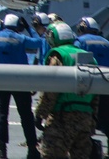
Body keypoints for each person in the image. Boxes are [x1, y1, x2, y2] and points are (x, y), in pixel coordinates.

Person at [35, 21, 96, 159]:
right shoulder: (87, 56)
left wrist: (40, 114)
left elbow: (50, 90)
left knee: (51, 155)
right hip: (85, 118)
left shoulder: (58, 56)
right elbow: (95, 92)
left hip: (61, 119)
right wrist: (92, 119)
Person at [0, 13, 44, 159]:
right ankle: (32, 149)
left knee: (1, 115)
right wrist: (29, 28)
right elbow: (39, 42)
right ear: (17, 26)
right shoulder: (20, 38)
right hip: (20, 81)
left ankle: (2, 151)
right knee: (26, 115)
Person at [73, 17, 109, 140]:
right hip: (105, 85)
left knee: (84, 119)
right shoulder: (106, 42)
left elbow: (73, 61)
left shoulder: (79, 41)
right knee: (106, 119)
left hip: (87, 85)